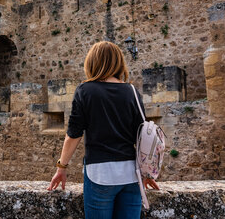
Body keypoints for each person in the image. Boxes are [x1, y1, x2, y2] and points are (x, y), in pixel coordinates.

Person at [47, 41, 159, 219]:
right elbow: (141, 136)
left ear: (92, 62)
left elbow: (74, 135)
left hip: (100, 174)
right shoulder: (131, 91)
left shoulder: (85, 91)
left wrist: (62, 168)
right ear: (118, 62)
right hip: (131, 174)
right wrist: (147, 171)